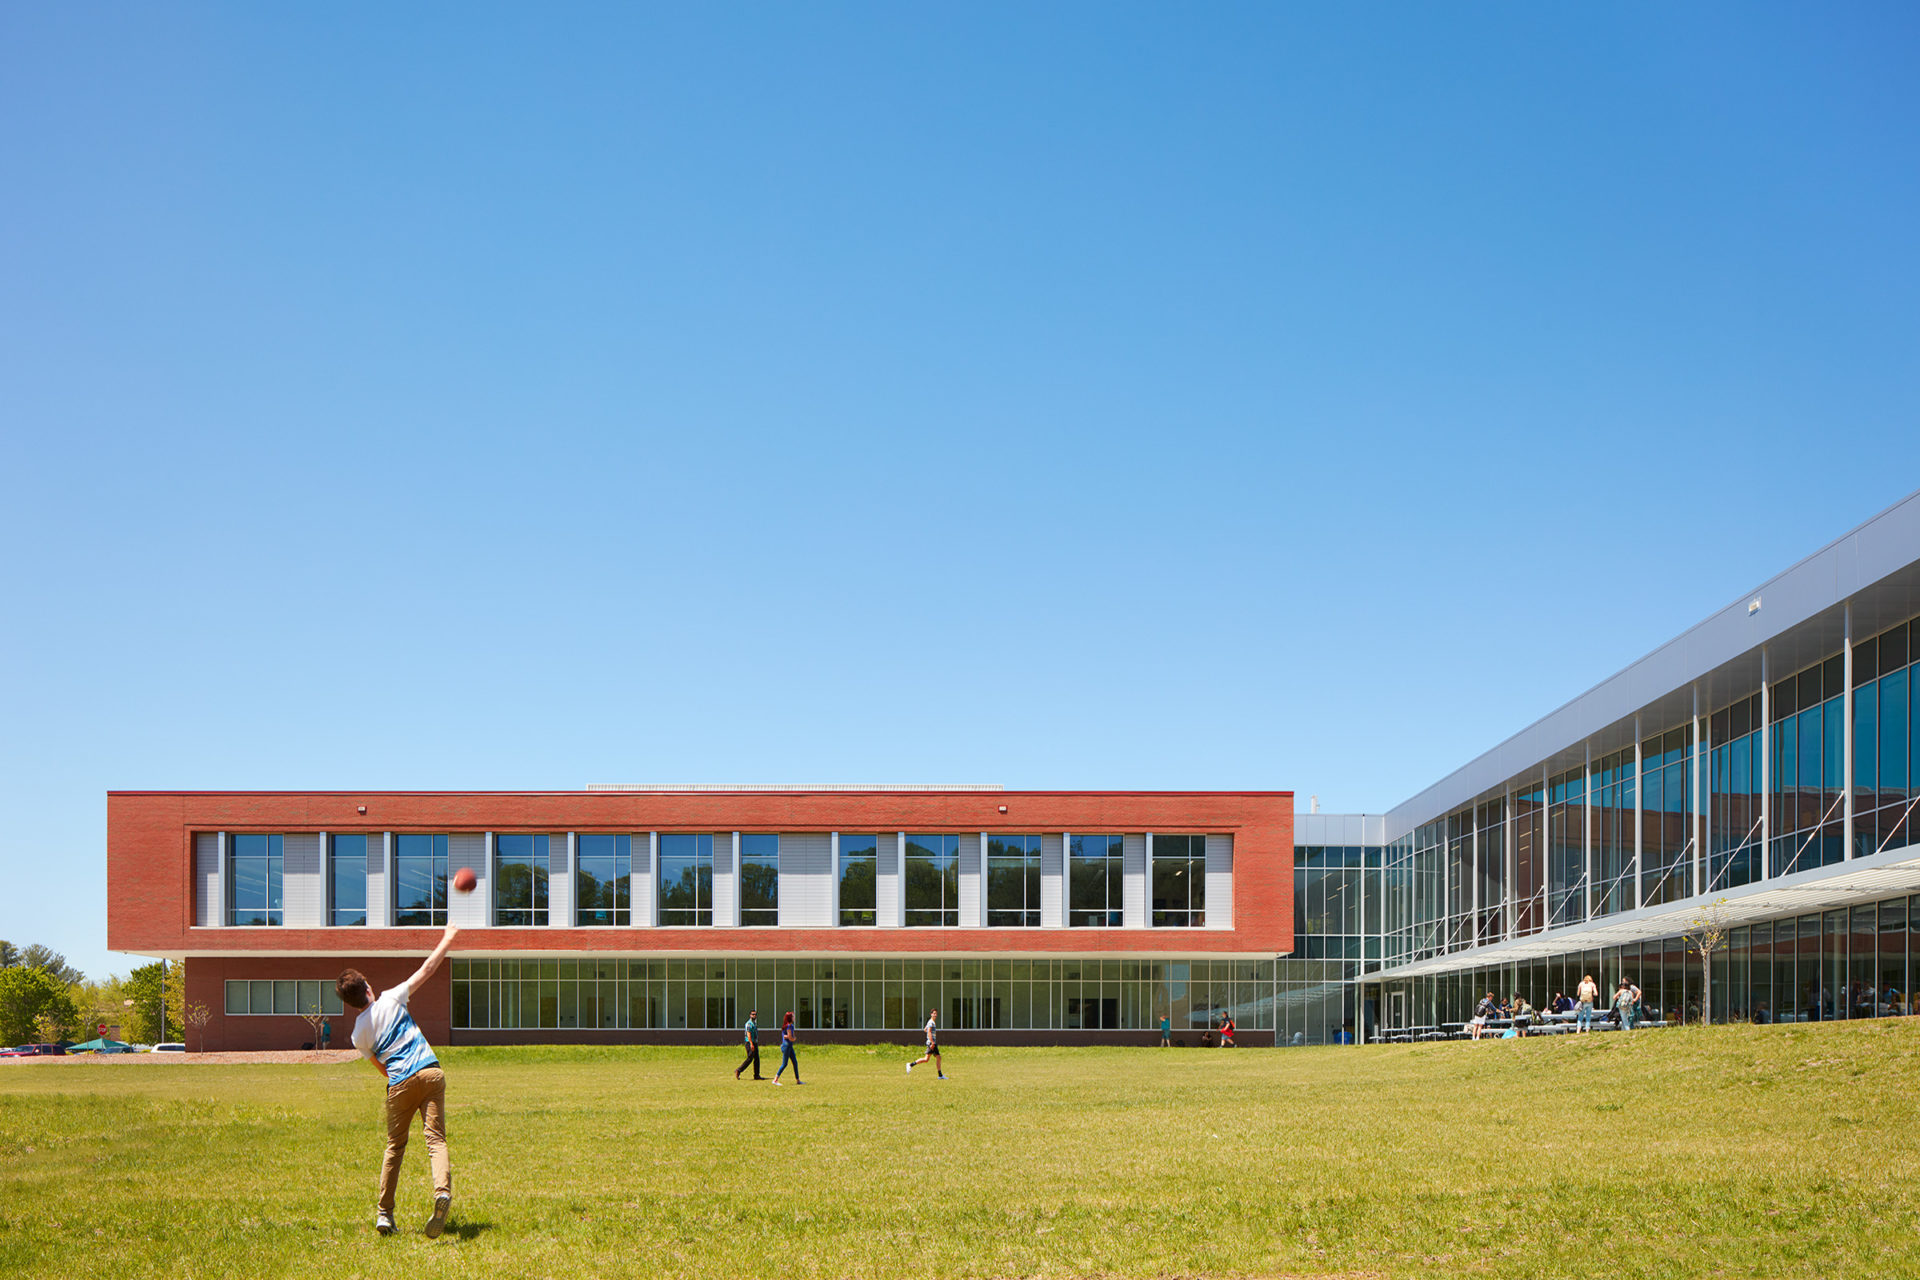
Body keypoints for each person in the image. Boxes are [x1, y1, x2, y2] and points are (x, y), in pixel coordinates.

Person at [339, 924, 459, 1239]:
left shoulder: (357, 1034)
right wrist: (447, 938)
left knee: (395, 1146)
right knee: (436, 1140)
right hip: (430, 1072)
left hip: (399, 1083)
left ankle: (384, 1214)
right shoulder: (391, 998)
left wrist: (399, 1082)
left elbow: (381, 1067)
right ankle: (441, 1192)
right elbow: (427, 969)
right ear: (367, 987)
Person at [907, 1007, 946, 1078]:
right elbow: (929, 1032)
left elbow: (925, 1029)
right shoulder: (931, 1022)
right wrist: (932, 1042)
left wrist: (929, 1034)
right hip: (932, 1043)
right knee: (937, 1057)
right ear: (931, 1014)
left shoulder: (931, 1022)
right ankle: (940, 1075)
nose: (935, 1015)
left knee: (928, 1059)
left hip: (931, 1042)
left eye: (936, 1014)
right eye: (934, 1013)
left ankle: (910, 1065)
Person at [772, 1012, 800, 1085]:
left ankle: (798, 1080)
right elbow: (790, 1037)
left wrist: (788, 1037)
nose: (794, 1018)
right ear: (790, 1018)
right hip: (787, 1046)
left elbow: (786, 1036)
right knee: (784, 1064)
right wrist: (794, 1039)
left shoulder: (788, 1026)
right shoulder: (789, 1026)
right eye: (793, 1016)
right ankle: (775, 1080)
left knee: (795, 1062)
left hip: (789, 1046)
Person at [736, 1009, 763, 1081]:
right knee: (750, 1058)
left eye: (755, 1014)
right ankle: (738, 1070)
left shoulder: (754, 1023)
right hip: (749, 1043)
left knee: (757, 1059)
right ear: (750, 1015)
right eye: (752, 1014)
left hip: (754, 1042)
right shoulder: (749, 1024)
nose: (754, 1015)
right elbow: (748, 1034)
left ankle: (756, 1075)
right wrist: (751, 1044)